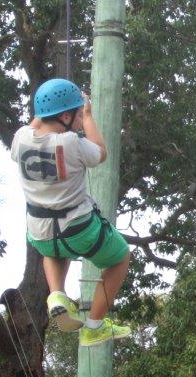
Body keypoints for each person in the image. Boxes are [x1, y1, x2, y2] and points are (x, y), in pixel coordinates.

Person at [11, 78, 132, 347]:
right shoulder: (72, 143)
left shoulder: (20, 139)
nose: (79, 120)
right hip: (79, 228)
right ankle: (94, 326)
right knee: (120, 258)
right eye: (76, 115)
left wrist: (51, 106)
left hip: (40, 232)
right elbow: (101, 152)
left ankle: (56, 294)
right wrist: (88, 117)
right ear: (65, 117)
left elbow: (35, 125)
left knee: (54, 249)